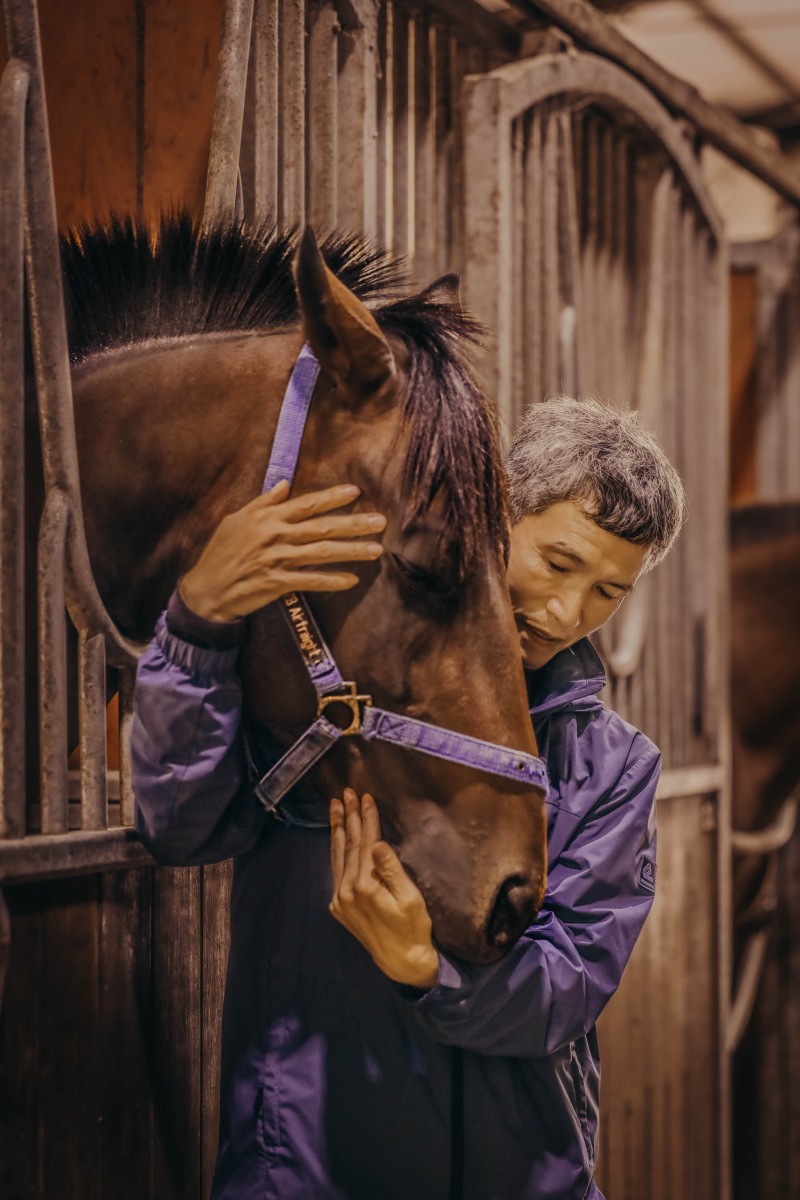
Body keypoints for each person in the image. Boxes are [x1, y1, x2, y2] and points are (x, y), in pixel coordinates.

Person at [132, 394, 685, 1200]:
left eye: (609, 591)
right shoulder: (340, 694)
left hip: (520, 1174)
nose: (570, 612)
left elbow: (567, 990)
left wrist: (428, 971)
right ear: (496, 517)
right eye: (559, 563)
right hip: (307, 1164)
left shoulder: (613, 764)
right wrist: (198, 625)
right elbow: (178, 825)